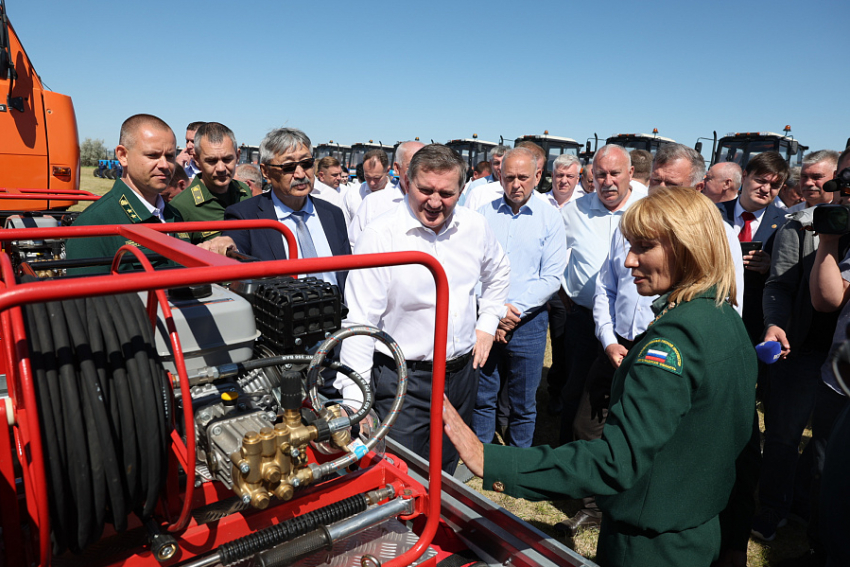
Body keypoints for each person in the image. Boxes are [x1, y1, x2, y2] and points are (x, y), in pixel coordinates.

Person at [444, 186, 756, 567]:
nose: (628, 260)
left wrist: (490, 460)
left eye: (644, 247)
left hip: (647, 545)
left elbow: (614, 461)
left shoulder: (675, 340)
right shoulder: (727, 320)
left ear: (687, 246)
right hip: (704, 531)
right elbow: (743, 447)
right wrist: (735, 541)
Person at [336, 144, 510, 474]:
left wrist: (488, 323)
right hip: (404, 380)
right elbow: (360, 322)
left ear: (462, 189)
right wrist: (355, 403)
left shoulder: (474, 226)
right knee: (399, 473)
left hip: (461, 374)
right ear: (406, 182)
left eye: (446, 193)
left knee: (445, 465)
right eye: (425, 189)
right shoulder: (381, 236)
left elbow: (499, 270)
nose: (433, 202)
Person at [756, 150, 840, 544]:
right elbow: (779, 286)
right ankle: (772, 508)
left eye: (819, 177)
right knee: (784, 436)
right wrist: (775, 323)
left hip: (843, 355)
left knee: (829, 443)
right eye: (805, 177)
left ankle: (807, 503)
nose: (809, 184)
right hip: (804, 351)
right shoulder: (797, 228)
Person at [472, 147, 566, 448]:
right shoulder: (482, 216)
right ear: (499, 176)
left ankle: (518, 459)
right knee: (483, 394)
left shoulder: (550, 219)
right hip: (487, 319)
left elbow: (551, 276)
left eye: (523, 177)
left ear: (537, 177)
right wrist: (494, 313)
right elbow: (471, 269)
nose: (516, 184)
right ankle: (483, 456)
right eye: (509, 177)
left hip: (528, 322)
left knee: (524, 399)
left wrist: (512, 311)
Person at [557, 144, 645, 445]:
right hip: (583, 321)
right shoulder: (574, 210)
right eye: (600, 174)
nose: (607, 181)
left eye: (615, 173)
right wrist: (562, 288)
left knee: (627, 394)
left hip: (633, 326)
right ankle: (569, 453)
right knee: (576, 389)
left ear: (631, 173)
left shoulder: (649, 207)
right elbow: (553, 252)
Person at [220, 128, 350, 289]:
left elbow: (347, 276)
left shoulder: (333, 214)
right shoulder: (245, 216)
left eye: (306, 164)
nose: (301, 174)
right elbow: (233, 257)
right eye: (289, 167)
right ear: (266, 172)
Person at [66, 114, 185, 275]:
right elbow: (86, 299)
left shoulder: (174, 215)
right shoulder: (93, 225)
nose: (164, 165)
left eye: (170, 156)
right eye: (152, 155)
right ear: (123, 156)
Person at [717, 152, 789, 343]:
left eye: (775, 186)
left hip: (754, 323)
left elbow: (790, 277)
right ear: (745, 176)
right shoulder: (712, 213)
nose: (766, 189)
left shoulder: (786, 224)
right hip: (712, 312)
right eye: (761, 180)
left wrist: (770, 266)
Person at [169, 122, 251, 244]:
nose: (221, 168)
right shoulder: (181, 206)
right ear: (197, 159)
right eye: (211, 161)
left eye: (227, 159)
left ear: (238, 155)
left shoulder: (244, 192)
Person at [348, 141, 424, 247]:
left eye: (426, 166)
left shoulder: (443, 206)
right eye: (412, 166)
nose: (420, 172)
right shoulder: (371, 203)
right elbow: (354, 243)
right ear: (397, 168)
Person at [342, 150, 395, 225]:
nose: (372, 183)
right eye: (367, 177)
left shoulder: (397, 198)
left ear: (387, 170)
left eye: (377, 178)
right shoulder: (352, 195)